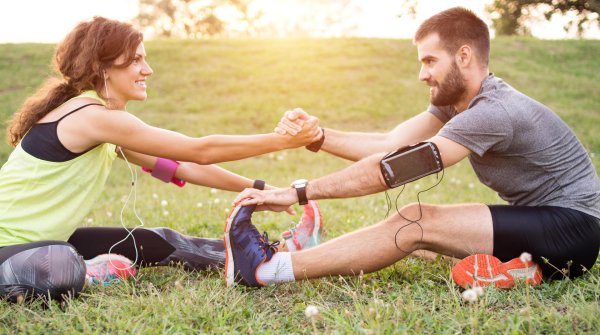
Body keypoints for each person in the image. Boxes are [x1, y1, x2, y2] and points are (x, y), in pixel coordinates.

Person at [224, 7, 600, 289]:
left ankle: (267, 270)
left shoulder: (493, 111)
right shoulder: (456, 104)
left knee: (417, 221)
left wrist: (299, 191)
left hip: (572, 229)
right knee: (424, 245)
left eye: (430, 61)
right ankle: (524, 269)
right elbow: (391, 145)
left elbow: (393, 169)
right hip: (546, 224)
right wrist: (318, 136)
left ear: (464, 56)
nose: (422, 74)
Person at [0, 16, 324, 302]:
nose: (147, 70)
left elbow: (183, 166)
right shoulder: (92, 116)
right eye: (136, 60)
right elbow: (200, 149)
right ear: (103, 67)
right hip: (15, 250)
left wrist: (262, 189)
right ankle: (88, 270)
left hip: (42, 244)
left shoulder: (101, 124)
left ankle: (275, 258)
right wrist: (283, 140)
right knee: (60, 263)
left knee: (159, 241)